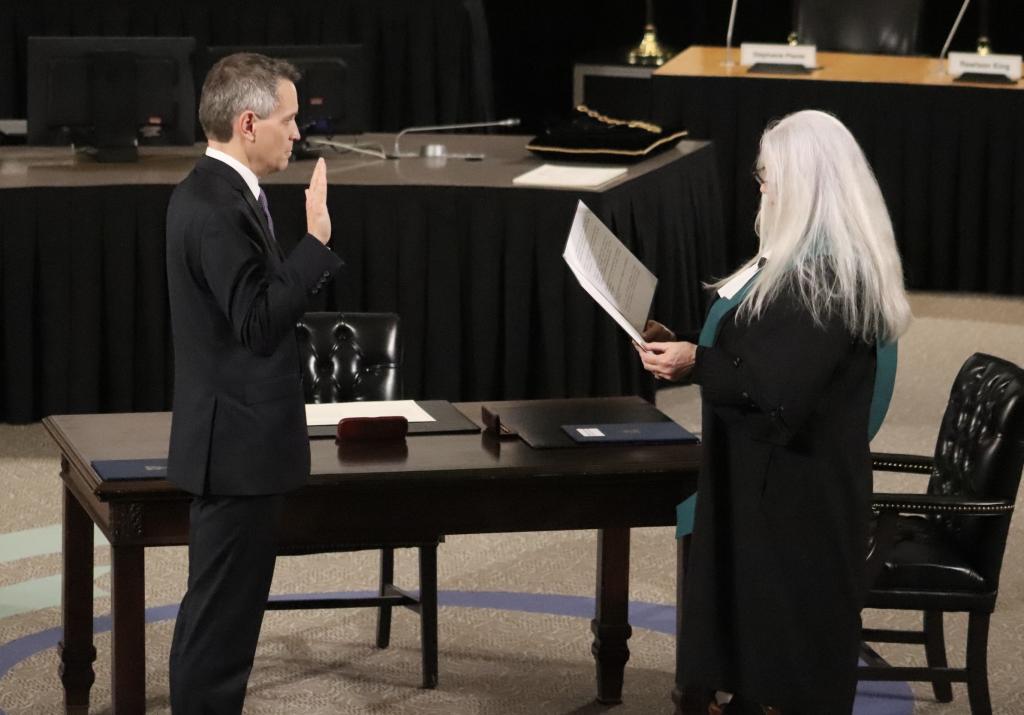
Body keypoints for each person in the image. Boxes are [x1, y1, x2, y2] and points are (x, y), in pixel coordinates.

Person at [637, 110, 912, 715]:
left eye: (768, 178)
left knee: (788, 666)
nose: (760, 190)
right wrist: (691, 349)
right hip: (774, 484)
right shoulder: (811, 258)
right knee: (761, 661)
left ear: (805, 184)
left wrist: (693, 363)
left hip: (799, 499)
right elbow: (765, 354)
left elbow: (779, 388)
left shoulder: (827, 274)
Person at [165, 53, 343, 714]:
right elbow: (258, 323)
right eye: (289, 119)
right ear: (248, 122)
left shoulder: (223, 192)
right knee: (219, 636)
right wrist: (316, 240)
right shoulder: (217, 206)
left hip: (236, 443)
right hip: (236, 450)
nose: (298, 132)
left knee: (217, 623)